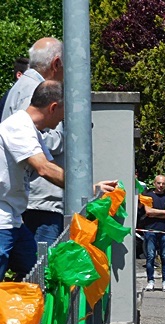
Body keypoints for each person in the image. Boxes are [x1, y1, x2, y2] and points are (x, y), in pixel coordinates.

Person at [0, 80, 115, 279]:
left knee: (39, 272)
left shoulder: (32, 131)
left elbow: (53, 167)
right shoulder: (18, 127)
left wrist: (91, 186)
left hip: (14, 219)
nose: (63, 121)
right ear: (53, 107)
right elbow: (44, 169)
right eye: (64, 114)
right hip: (2, 220)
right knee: (35, 273)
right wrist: (85, 188)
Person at [1, 38, 65, 246]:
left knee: (32, 267)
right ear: (56, 63)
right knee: (40, 271)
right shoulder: (36, 90)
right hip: (39, 202)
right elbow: (43, 159)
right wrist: (69, 135)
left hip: (22, 205)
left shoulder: (23, 86)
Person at [141, 175, 165, 291]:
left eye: (163, 183)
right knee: (150, 256)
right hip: (150, 230)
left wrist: (157, 212)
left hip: (164, 231)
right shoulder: (148, 196)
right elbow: (148, 212)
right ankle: (150, 281)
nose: (161, 186)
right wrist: (163, 212)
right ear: (154, 183)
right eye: (159, 183)